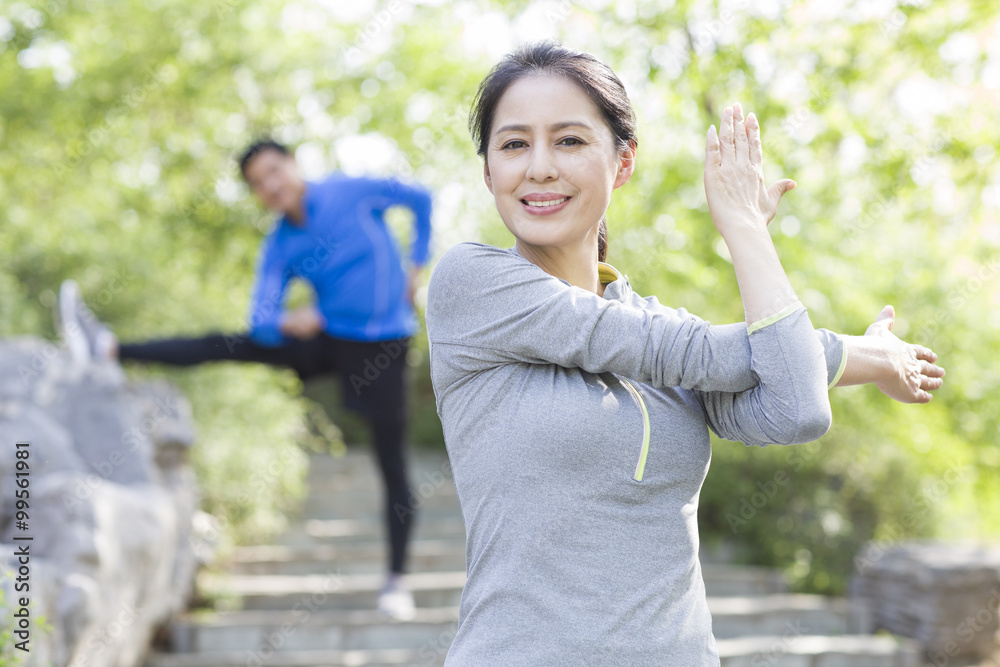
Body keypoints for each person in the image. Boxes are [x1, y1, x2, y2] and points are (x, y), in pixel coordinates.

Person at [424, 42, 945, 665]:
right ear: (488, 172)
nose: (538, 167)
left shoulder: (659, 329)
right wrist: (862, 354)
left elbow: (796, 405)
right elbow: (697, 350)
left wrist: (746, 230)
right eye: (513, 144)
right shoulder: (472, 286)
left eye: (569, 141)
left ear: (623, 161)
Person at [56, 138, 433, 620]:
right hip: (329, 339)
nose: (270, 186)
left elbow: (421, 198)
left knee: (392, 462)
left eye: (274, 171)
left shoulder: (349, 192)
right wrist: (287, 321)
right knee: (229, 343)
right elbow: (259, 320)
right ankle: (108, 347)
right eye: (258, 183)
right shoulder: (281, 243)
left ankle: (397, 582)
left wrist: (416, 266)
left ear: (294, 164)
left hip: (384, 344)